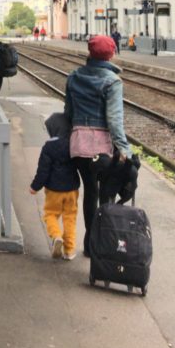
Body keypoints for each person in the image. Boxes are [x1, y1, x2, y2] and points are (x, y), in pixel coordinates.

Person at [63, 35, 132, 257]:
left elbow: (68, 113)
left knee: (90, 191)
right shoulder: (113, 81)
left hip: (78, 143)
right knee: (106, 193)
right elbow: (114, 120)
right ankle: (102, 243)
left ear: (90, 53)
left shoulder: (74, 77)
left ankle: (90, 243)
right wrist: (124, 149)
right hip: (101, 147)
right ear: (111, 54)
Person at [29, 113, 80, 260]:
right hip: (72, 189)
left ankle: (56, 236)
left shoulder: (48, 147)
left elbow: (43, 171)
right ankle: (69, 251)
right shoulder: (73, 144)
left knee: (50, 214)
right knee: (70, 218)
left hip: (54, 190)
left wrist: (35, 187)